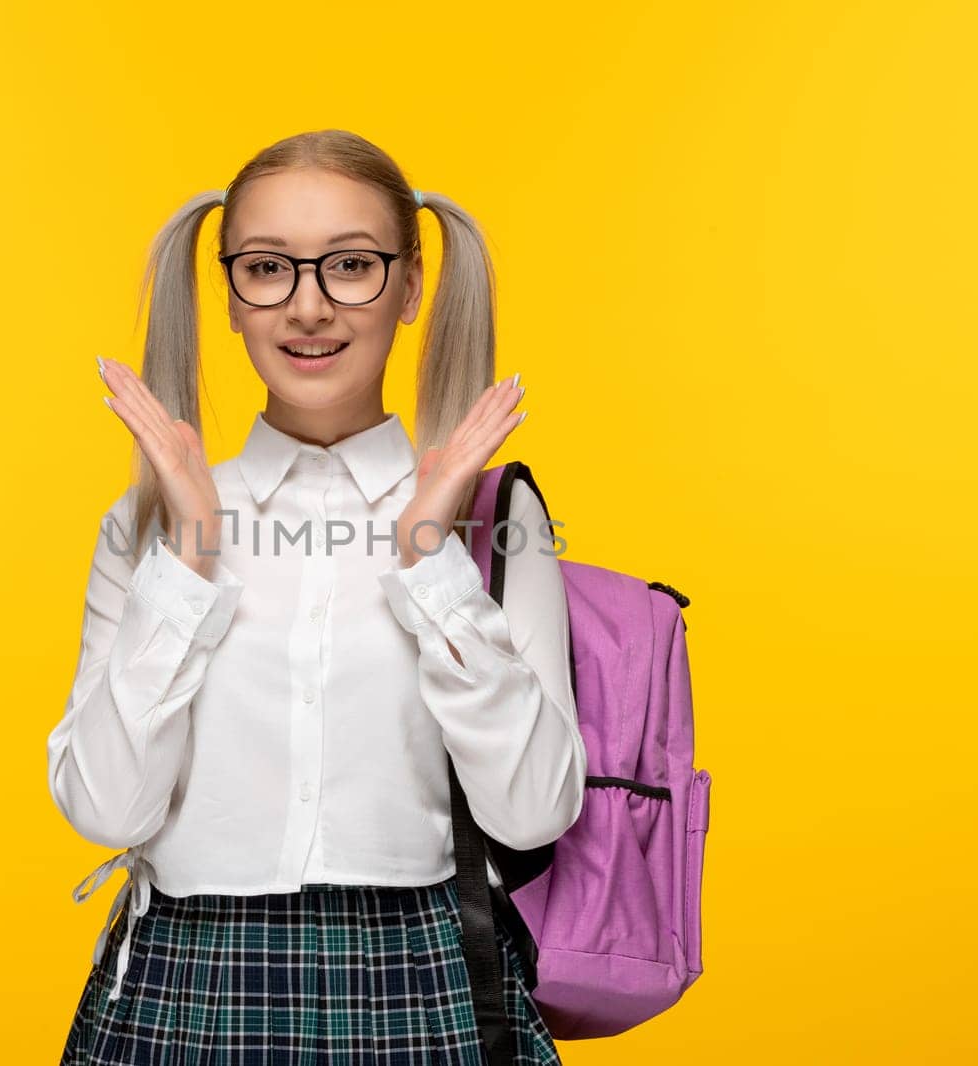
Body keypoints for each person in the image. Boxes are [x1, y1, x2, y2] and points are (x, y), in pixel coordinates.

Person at [48, 129, 586, 1064]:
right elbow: (104, 811)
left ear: (412, 285)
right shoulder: (149, 526)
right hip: (187, 985)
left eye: (350, 265)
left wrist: (430, 558)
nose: (308, 307)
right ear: (230, 296)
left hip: (421, 984)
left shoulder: (496, 520)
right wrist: (189, 556)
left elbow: (536, 811)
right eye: (267, 268)